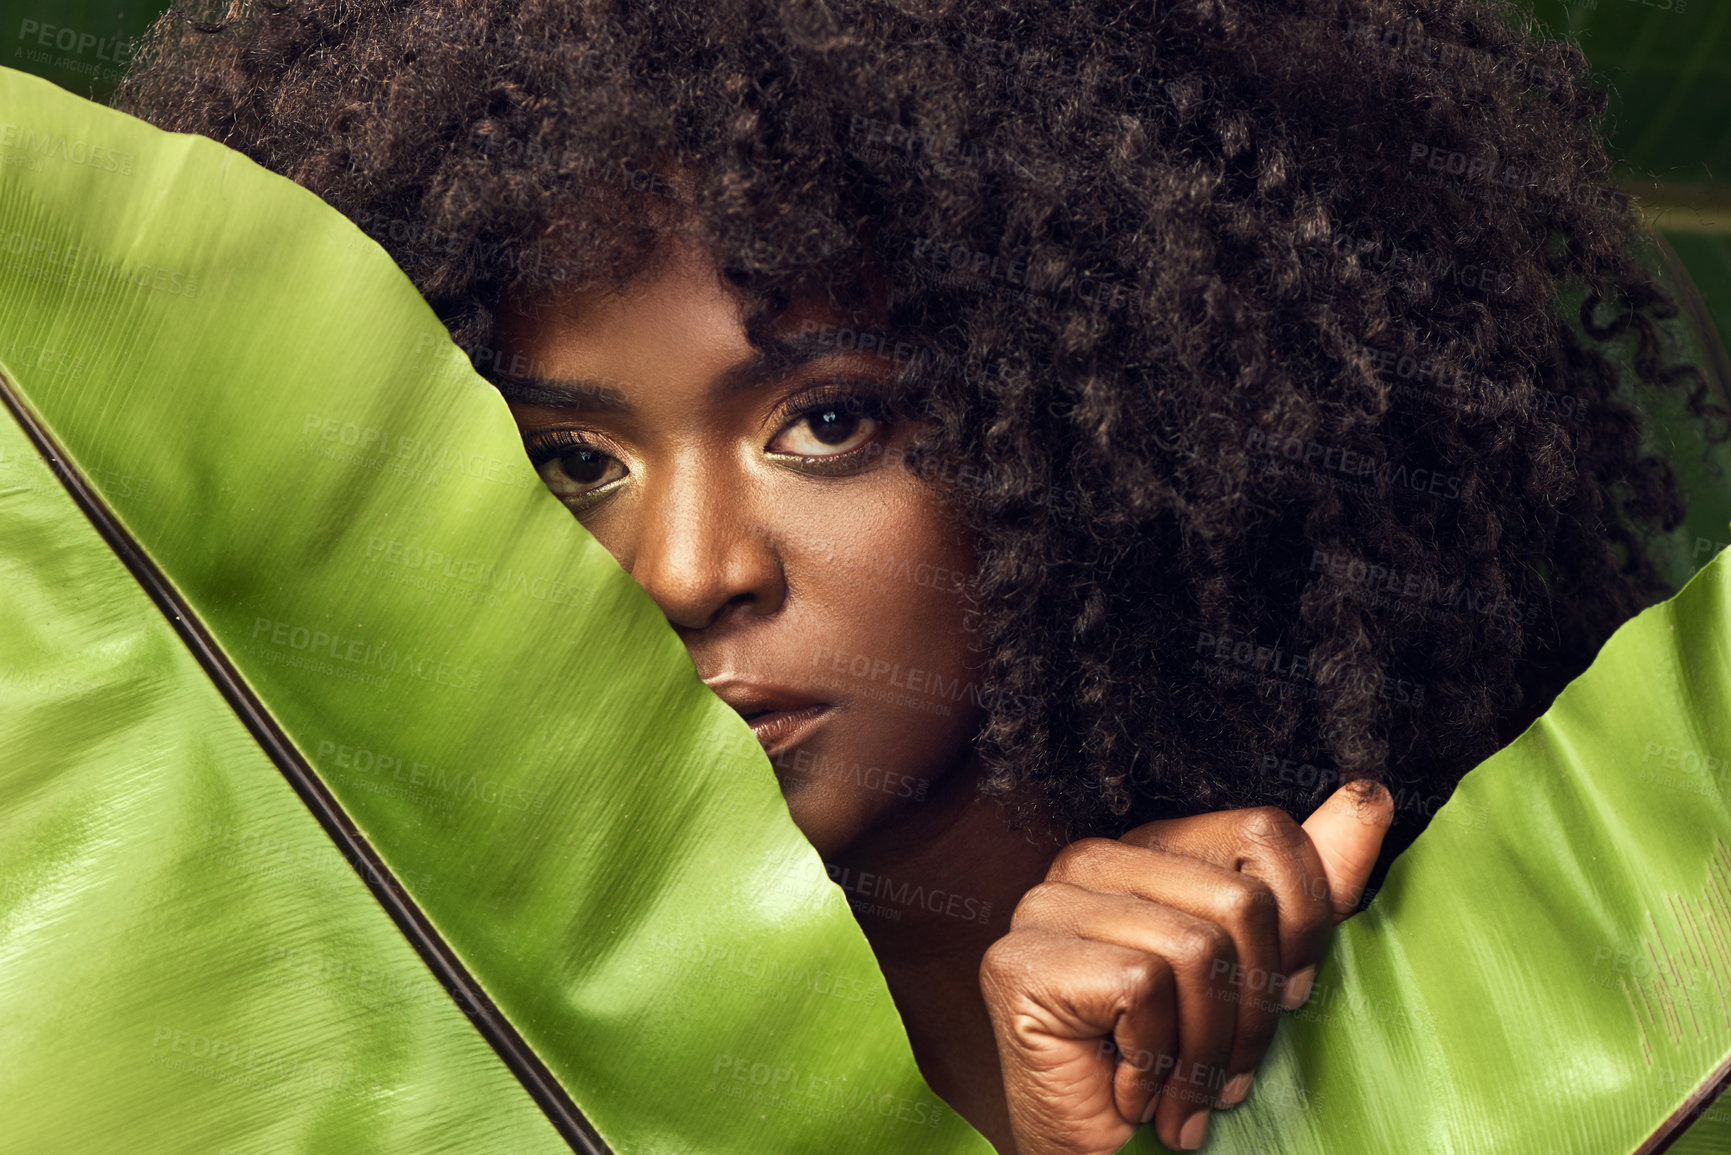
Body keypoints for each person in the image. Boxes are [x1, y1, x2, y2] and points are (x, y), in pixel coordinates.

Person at [113, 1, 1716, 1151]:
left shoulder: (1578, 1003)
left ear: (1118, 416)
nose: (685, 574)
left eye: (828, 422)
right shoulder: (369, 1066)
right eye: (571, 460)